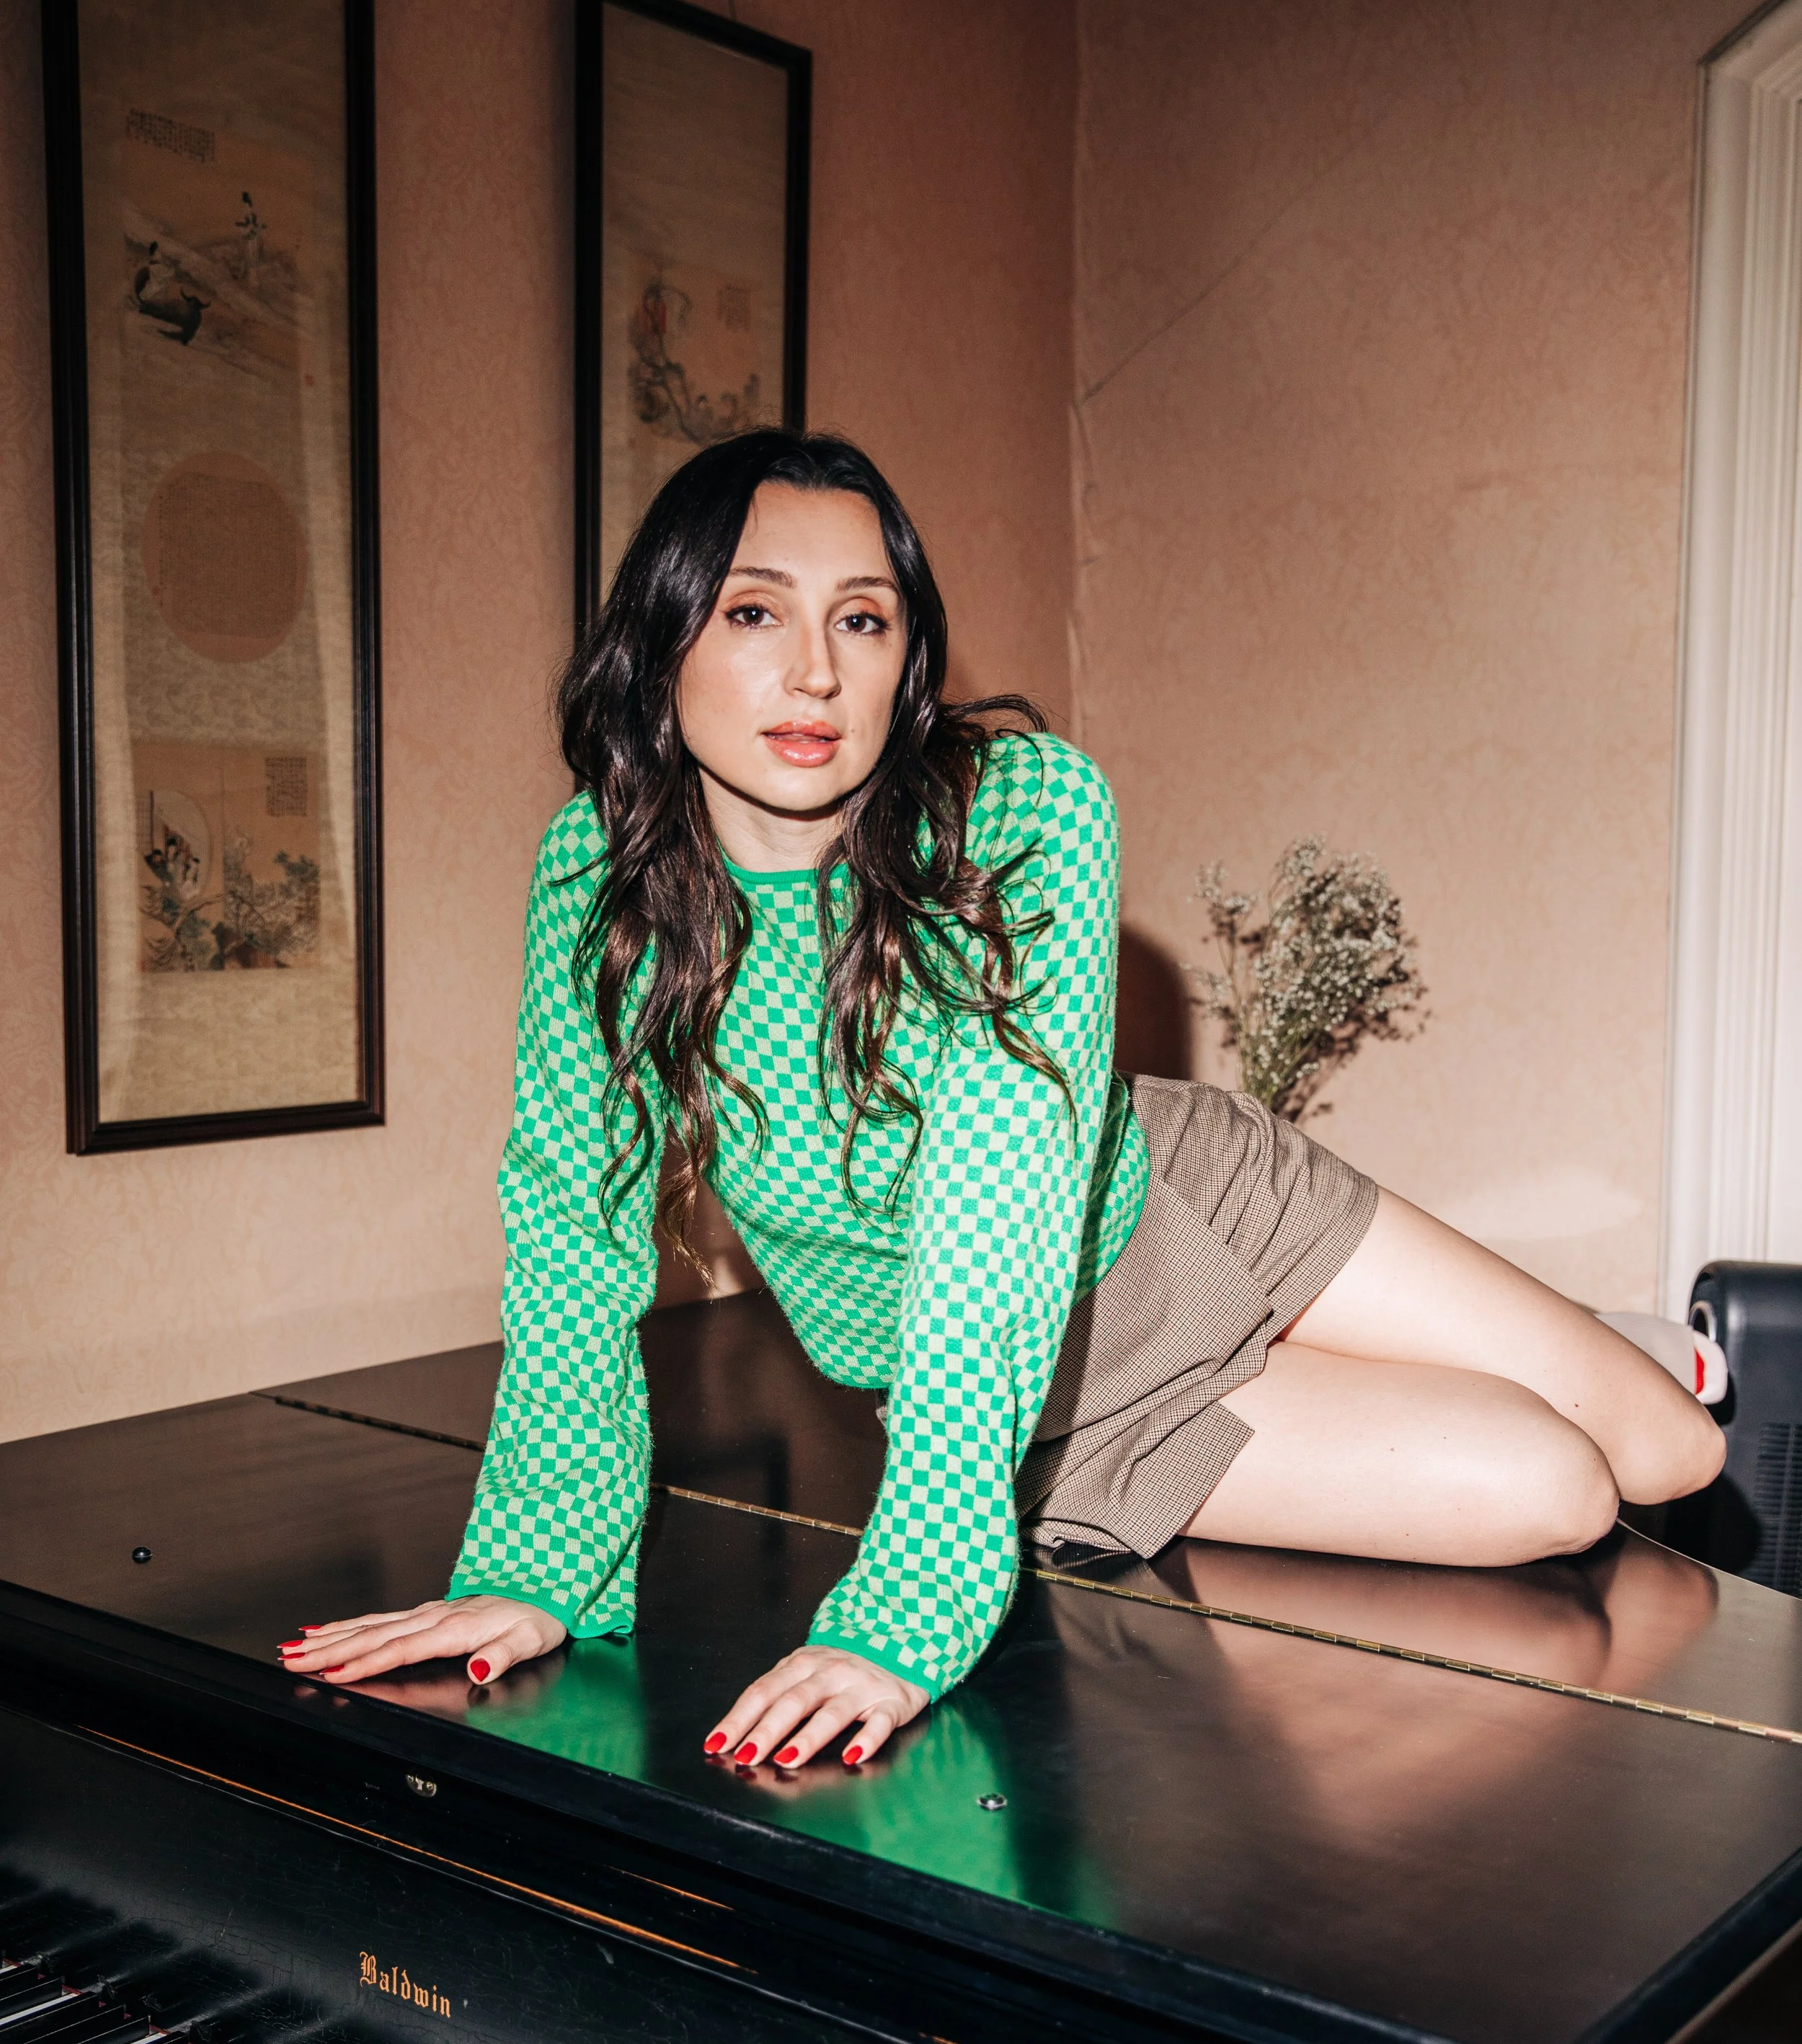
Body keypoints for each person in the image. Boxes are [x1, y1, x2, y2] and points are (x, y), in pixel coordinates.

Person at [280, 430, 1724, 1767]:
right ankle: (1494, 1364)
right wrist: (532, 1570)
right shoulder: (591, 880)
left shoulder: (1023, 810)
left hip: (1165, 1203)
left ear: (904, 655)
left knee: (1676, 1447)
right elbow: (568, 1234)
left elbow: (1001, 1191)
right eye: (750, 612)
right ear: (659, 639)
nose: (814, 675)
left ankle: (1582, 1337)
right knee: (1560, 1493)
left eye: (861, 619)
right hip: (1056, 1396)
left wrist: (908, 1604)